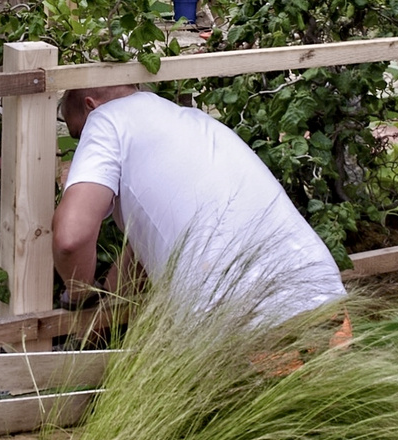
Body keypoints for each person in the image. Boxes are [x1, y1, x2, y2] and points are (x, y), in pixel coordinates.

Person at [53, 84, 348, 326]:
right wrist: (98, 318)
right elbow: (143, 252)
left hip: (243, 325)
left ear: (91, 106)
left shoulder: (105, 121)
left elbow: (71, 239)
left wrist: (80, 296)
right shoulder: (194, 123)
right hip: (326, 303)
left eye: (78, 135)